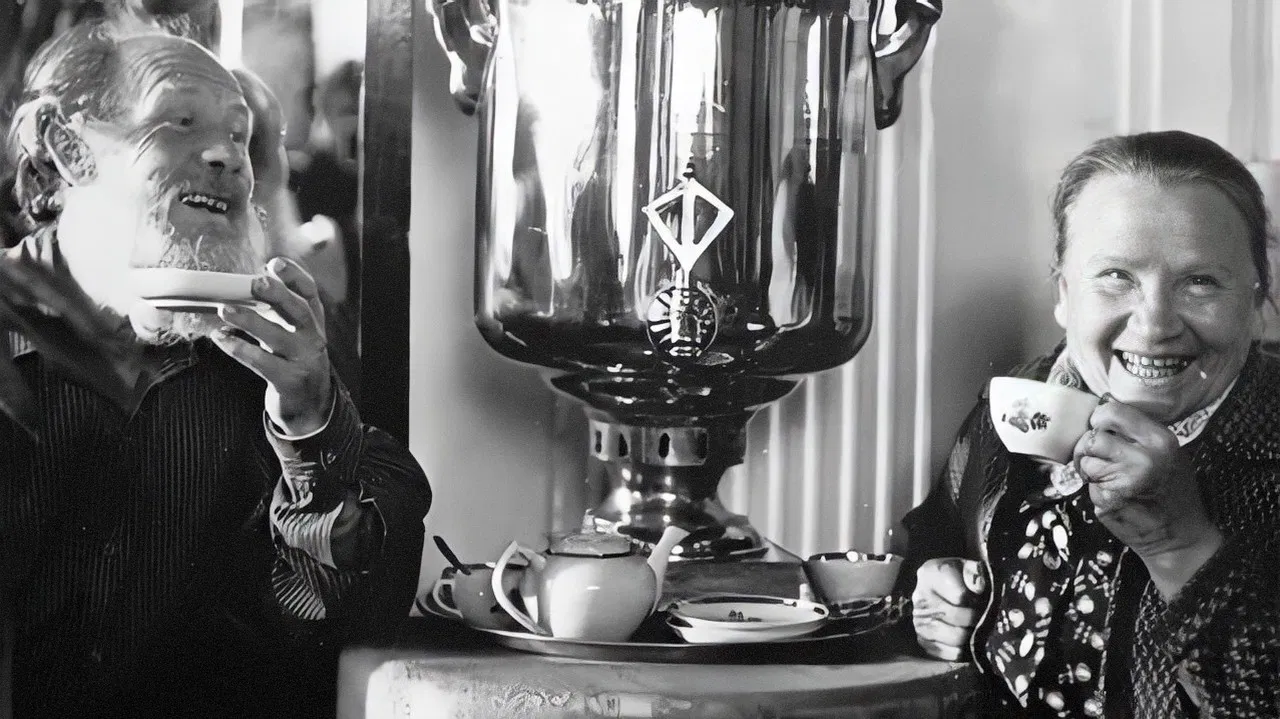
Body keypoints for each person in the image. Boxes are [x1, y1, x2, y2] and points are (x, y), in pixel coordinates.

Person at [0, 25, 431, 719]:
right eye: (179, 122)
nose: (228, 156)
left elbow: (342, 631)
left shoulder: (275, 351)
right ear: (71, 149)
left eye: (239, 134)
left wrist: (311, 425)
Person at [896, 130, 1280, 717]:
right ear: (1063, 293)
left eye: (1200, 281)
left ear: (1255, 302)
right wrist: (933, 599)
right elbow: (930, 549)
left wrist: (1178, 544)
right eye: (1116, 276)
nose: (1154, 325)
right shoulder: (1020, 403)